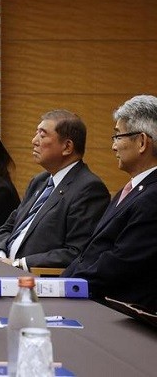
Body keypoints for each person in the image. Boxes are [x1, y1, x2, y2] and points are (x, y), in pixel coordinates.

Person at [63, 95, 157, 310]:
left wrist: (64, 287)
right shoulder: (133, 190)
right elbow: (91, 252)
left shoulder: (152, 198)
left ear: (142, 142)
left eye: (118, 136)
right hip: (89, 296)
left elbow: (120, 264)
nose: (114, 146)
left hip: (113, 311)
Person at [0, 110, 109, 270]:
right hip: (4, 270)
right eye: (36, 134)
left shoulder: (89, 189)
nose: (34, 141)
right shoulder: (39, 181)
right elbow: (7, 228)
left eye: (42, 135)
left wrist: (18, 264)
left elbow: (76, 252)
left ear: (67, 147)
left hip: (36, 278)